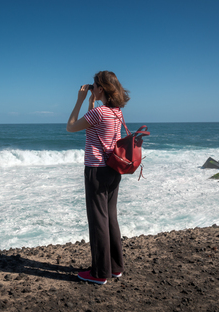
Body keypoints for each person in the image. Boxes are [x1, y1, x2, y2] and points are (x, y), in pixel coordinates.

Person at [66, 71, 130, 285]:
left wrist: (80, 100)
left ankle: (99, 272)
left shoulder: (99, 112)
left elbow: (71, 126)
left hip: (96, 170)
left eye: (94, 85)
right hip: (114, 168)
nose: (91, 87)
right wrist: (92, 102)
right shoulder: (116, 112)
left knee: (97, 221)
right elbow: (95, 126)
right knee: (110, 216)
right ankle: (115, 267)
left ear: (101, 88)